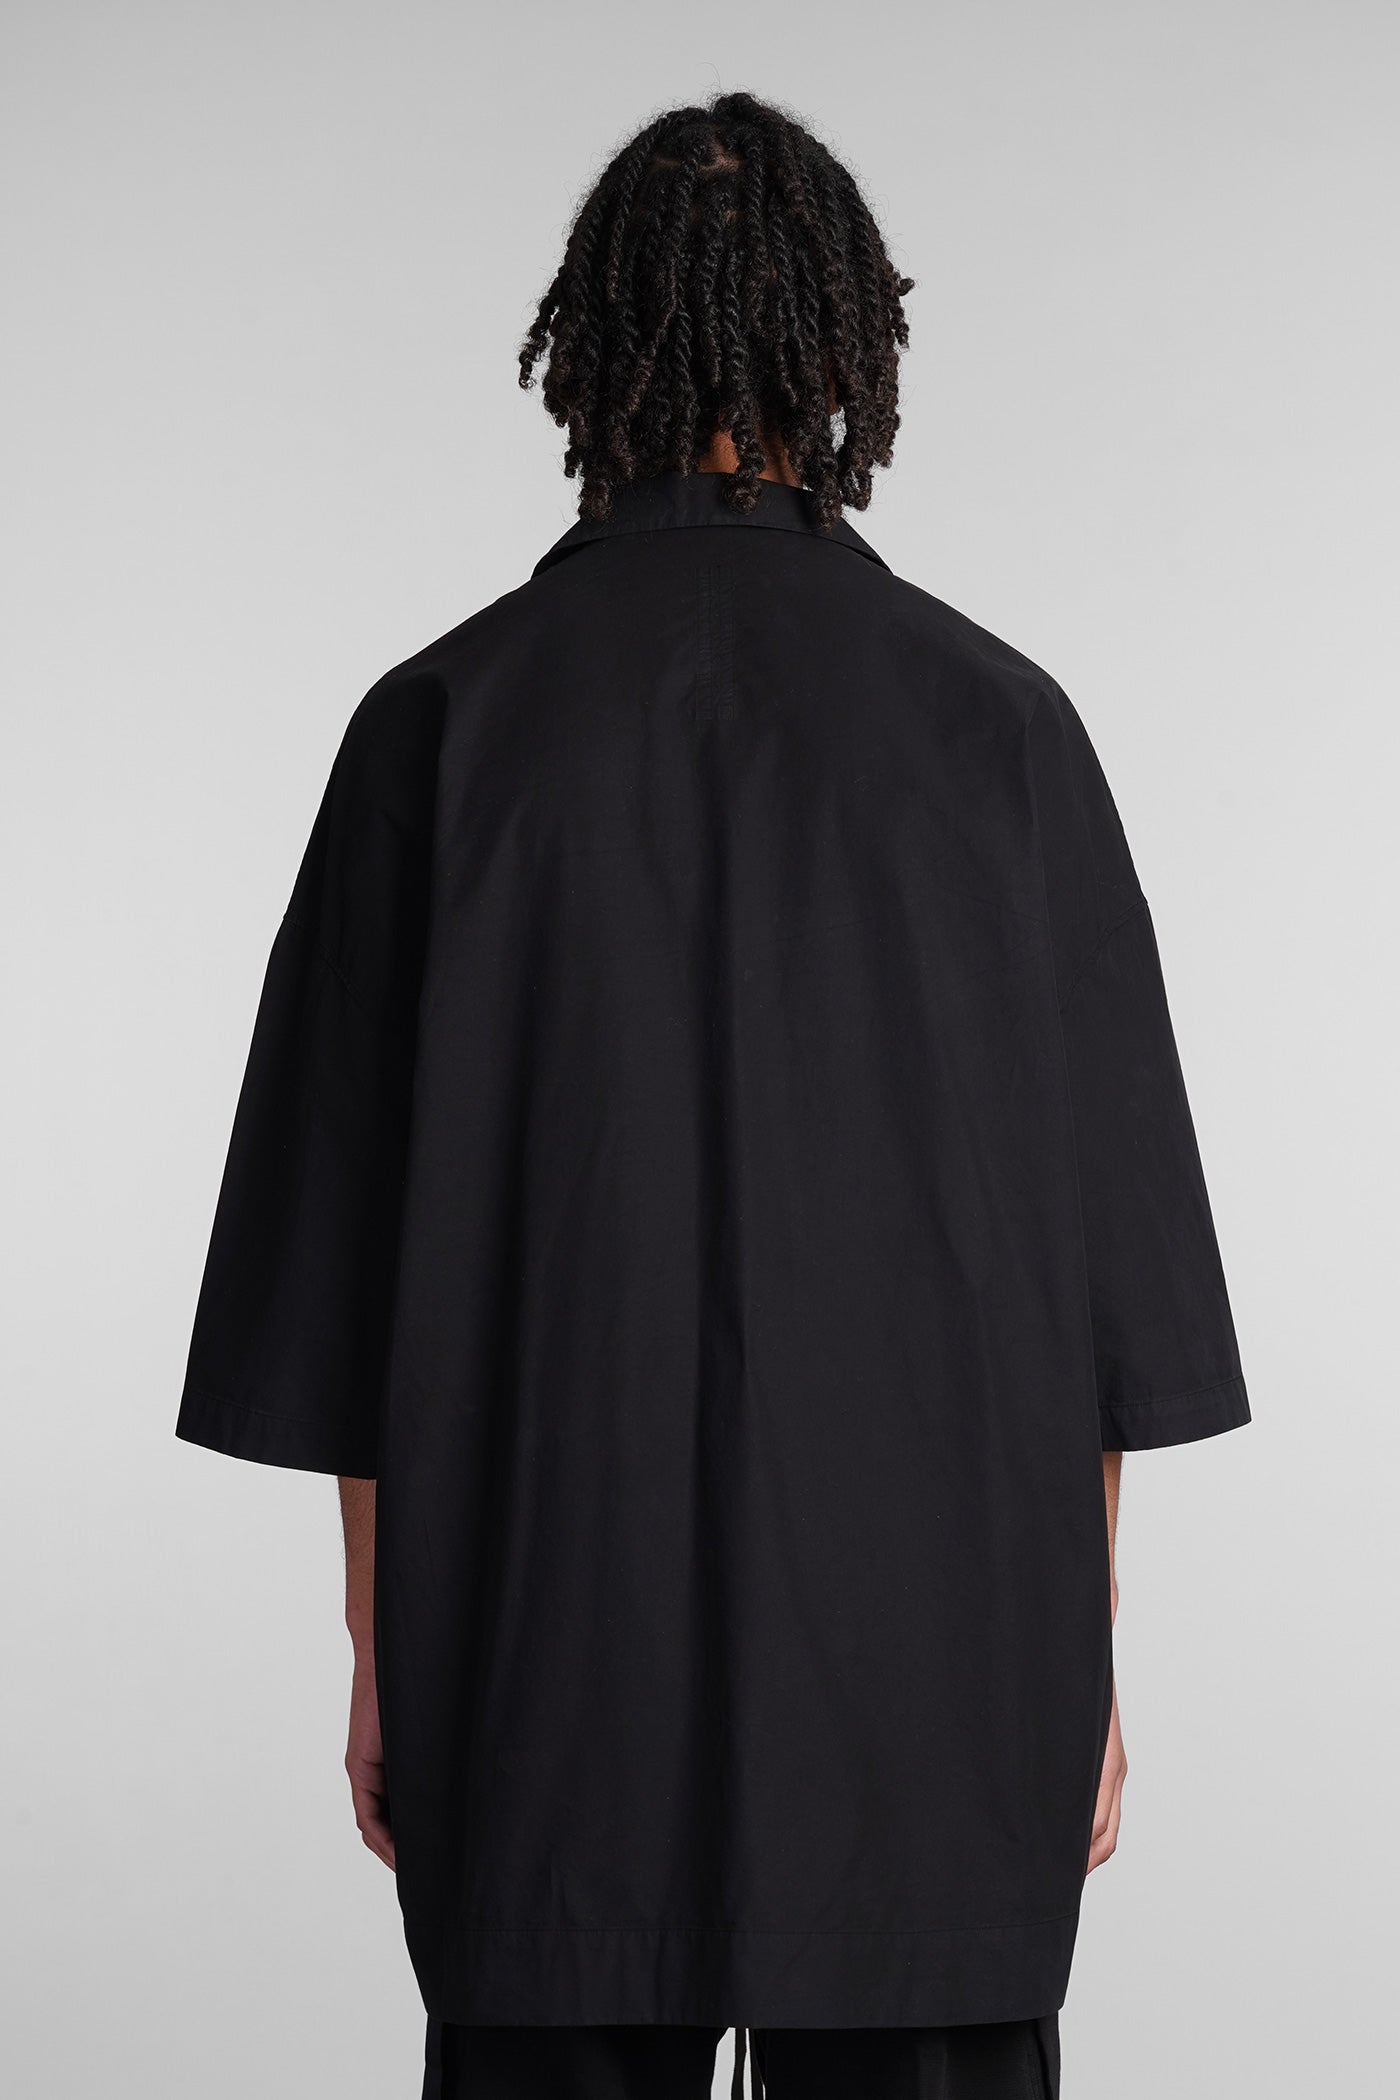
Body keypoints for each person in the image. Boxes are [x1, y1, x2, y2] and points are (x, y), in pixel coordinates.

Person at [176, 90, 1251, 2099]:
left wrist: (384, 1649)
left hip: (537, 1642)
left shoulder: (440, 726)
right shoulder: (1000, 731)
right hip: (942, 1663)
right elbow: (1100, 1303)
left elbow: (348, 1291)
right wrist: (1081, 1654)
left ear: (594, 350)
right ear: (839, 350)